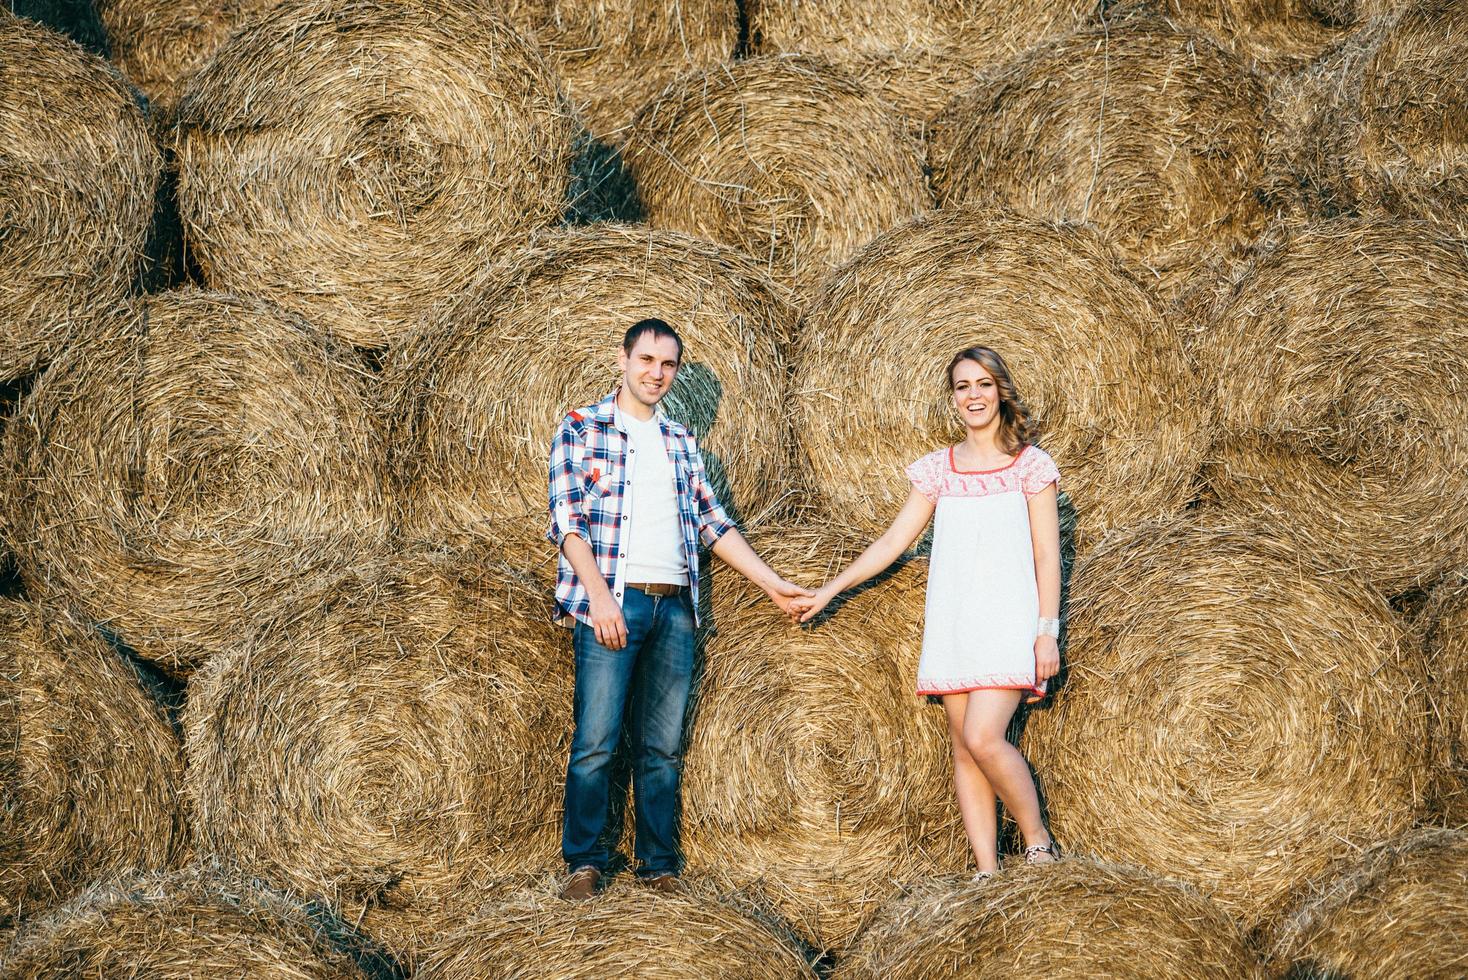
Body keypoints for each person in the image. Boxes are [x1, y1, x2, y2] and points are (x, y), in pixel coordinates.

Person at [547, 317, 811, 901]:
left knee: (662, 747)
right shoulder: (581, 428)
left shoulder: (681, 442)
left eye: (667, 365)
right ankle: (584, 863)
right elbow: (568, 522)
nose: (655, 373)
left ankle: (658, 864)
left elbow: (715, 525)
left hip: (676, 610)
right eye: (646, 360)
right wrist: (597, 596)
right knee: (596, 740)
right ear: (623, 359)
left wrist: (772, 584)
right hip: (613, 598)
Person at [788, 346, 1062, 879]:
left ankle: (1038, 845)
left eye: (983, 384)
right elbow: (893, 541)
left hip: (1009, 621)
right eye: (963, 386)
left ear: (1000, 390)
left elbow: (1047, 554)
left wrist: (1046, 631)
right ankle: (987, 872)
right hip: (954, 622)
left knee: (985, 737)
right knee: (963, 748)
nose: (974, 395)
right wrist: (830, 588)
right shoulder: (939, 469)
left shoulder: (1030, 465)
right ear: (953, 398)